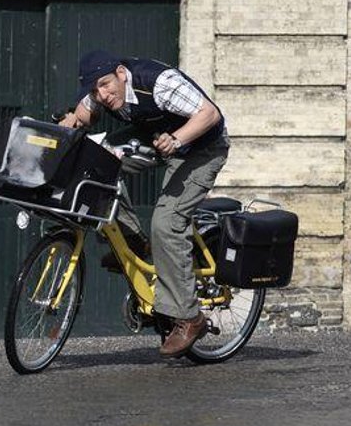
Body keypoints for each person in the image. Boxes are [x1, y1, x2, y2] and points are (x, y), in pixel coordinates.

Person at [60, 50, 229, 359]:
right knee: (98, 162)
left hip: (201, 147)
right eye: (96, 89)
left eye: (107, 84)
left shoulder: (160, 83)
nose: (104, 94)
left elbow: (210, 114)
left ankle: (190, 318)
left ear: (122, 73)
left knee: (166, 222)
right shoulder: (100, 93)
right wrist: (71, 120)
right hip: (155, 138)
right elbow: (84, 113)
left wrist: (177, 140)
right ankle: (134, 242)